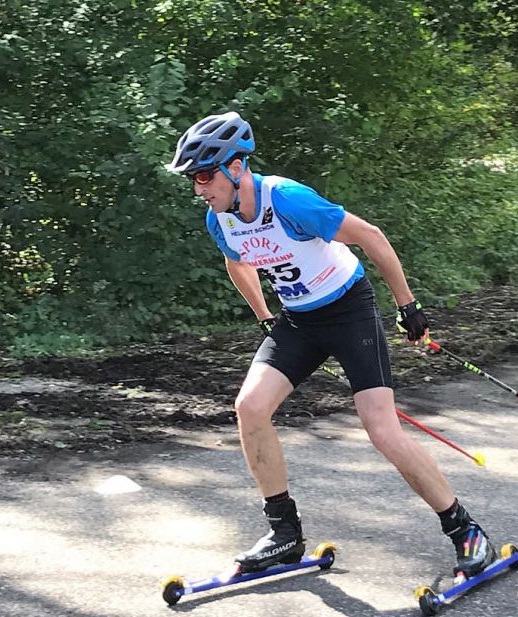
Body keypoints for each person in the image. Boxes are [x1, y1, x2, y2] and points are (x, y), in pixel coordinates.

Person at [165, 111, 496, 577]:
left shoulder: (288, 200)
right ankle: (284, 534)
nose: (199, 188)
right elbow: (237, 263)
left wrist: (408, 307)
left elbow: (370, 237)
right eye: (193, 180)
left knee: (381, 428)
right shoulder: (220, 219)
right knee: (250, 407)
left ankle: (466, 531)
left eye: (204, 175)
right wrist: (264, 316)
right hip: (298, 320)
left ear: (236, 168)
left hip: (347, 310)